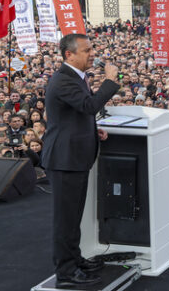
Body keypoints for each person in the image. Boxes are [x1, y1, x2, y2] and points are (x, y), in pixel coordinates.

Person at [41, 33, 121, 288]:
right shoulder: (64, 79)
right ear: (69, 54)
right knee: (65, 219)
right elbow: (89, 106)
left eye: (92, 49)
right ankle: (65, 272)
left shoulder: (77, 77)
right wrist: (110, 80)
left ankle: (75, 259)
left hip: (74, 155)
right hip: (64, 159)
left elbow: (74, 114)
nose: (93, 54)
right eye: (87, 50)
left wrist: (90, 130)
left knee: (73, 215)